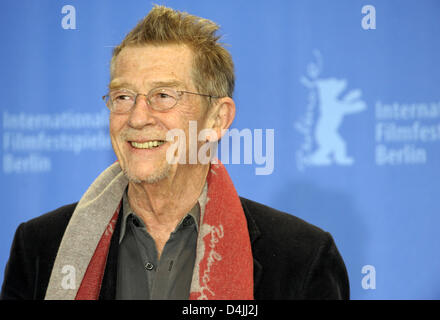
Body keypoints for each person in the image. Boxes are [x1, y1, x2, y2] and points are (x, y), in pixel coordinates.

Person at [0, 5, 349, 300]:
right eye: (123, 97)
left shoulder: (302, 259)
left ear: (218, 117)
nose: (136, 118)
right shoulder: (39, 248)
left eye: (163, 96)